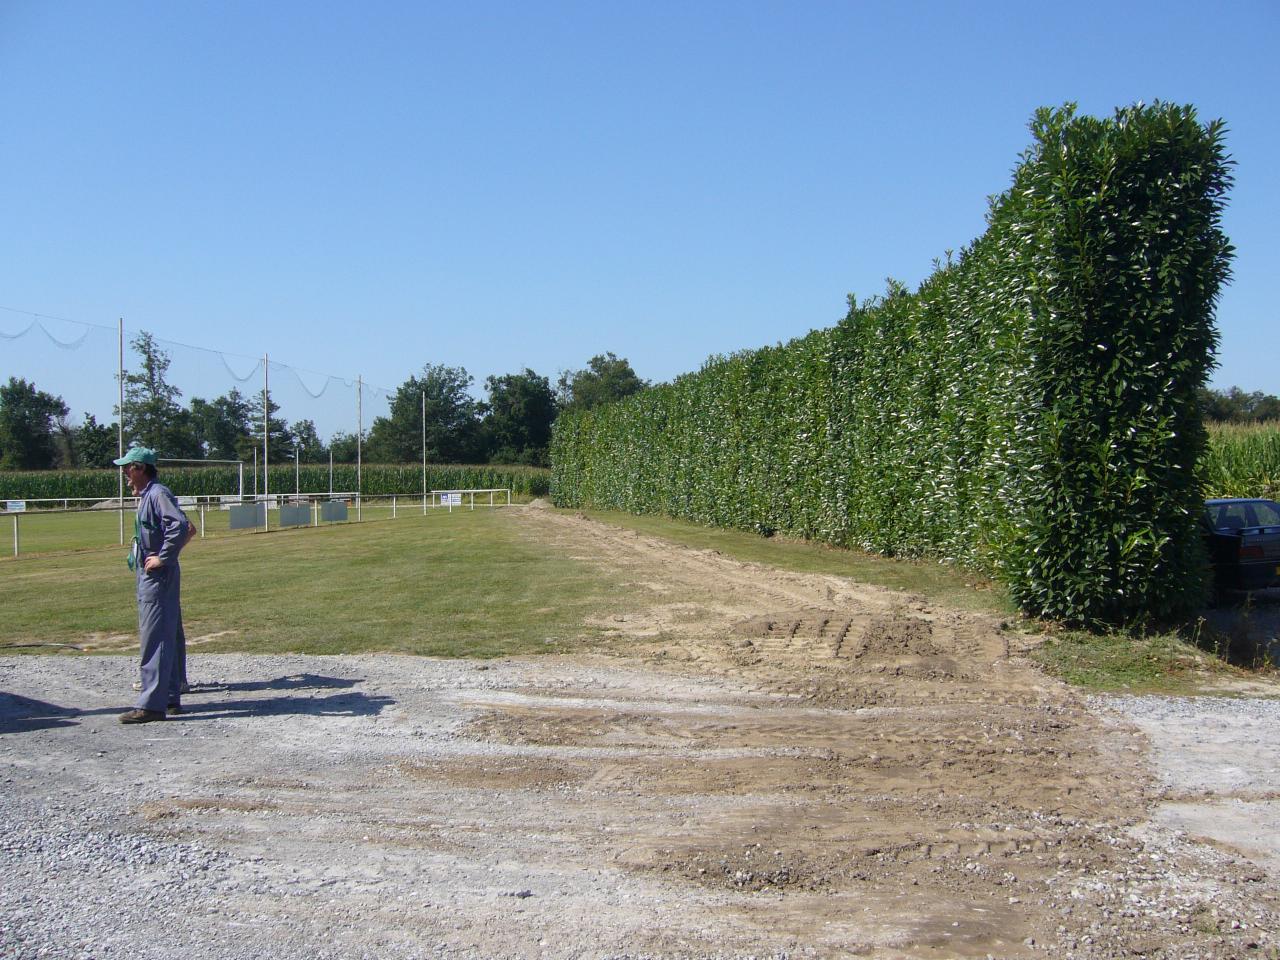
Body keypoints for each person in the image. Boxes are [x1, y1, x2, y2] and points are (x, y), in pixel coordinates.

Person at [115, 447, 192, 724]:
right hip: (155, 575)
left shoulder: (157, 494)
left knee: (155, 637)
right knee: (166, 635)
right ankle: (169, 697)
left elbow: (181, 526)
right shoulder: (149, 495)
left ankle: (151, 705)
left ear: (140, 468)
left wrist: (163, 557)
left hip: (157, 577)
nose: (124, 473)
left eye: (127, 468)